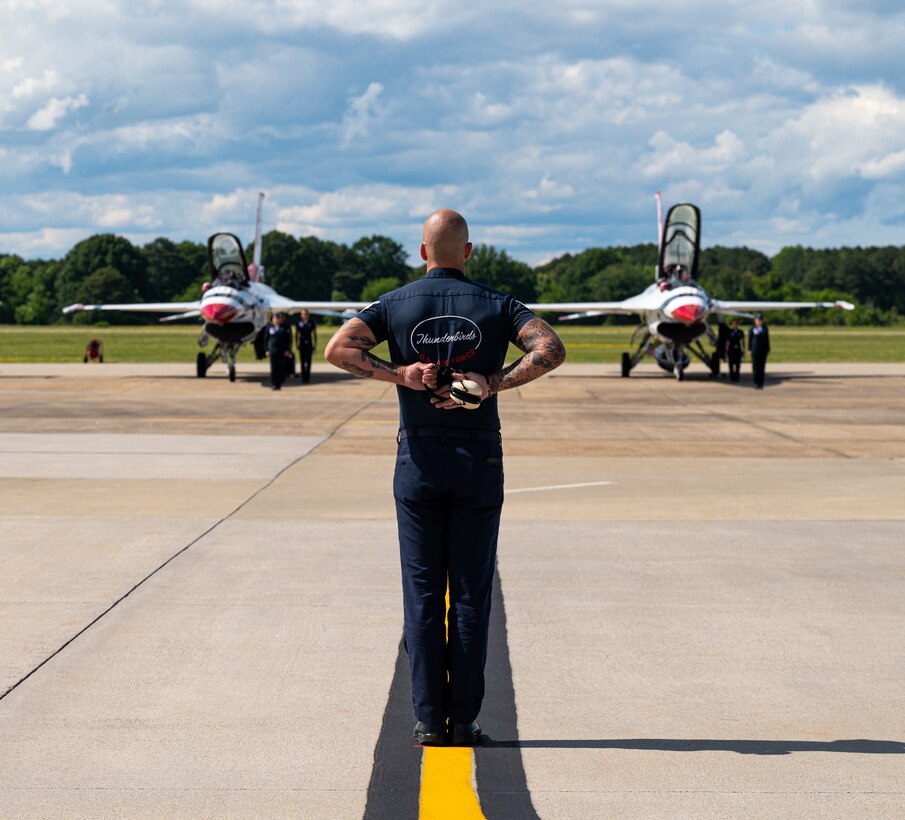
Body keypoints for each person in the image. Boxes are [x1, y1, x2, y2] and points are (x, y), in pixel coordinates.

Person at [324, 209, 566, 747]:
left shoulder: (395, 304)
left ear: (422, 251)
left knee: (424, 591)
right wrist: (491, 383)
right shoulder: (499, 304)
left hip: (420, 460)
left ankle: (430, 720)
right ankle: (466, 718)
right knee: (473, 595)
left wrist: (400, 373)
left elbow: (337, 348)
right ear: (469, 252)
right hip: (479, 459)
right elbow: (550, 349)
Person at [267, 312, 292, 390]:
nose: (277, 320)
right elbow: (266, 340)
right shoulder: (269, 328)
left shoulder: (283, 328)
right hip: (272, 351)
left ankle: (279, 383)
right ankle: (273, 383)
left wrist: (287, 350)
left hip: (281, 351)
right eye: (275, 318)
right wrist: (266, 350)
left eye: (278, 318)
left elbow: (288, 340)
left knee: (280, 367)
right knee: (273, 367)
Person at [748, 312, 770, 389]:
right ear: (755, 320)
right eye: (758, 319)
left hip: (763, 350)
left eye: (760, 320)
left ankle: (761, 383)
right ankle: (756, 383)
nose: (759, 321)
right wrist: (749, 349)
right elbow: (750, 340)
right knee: (755, 367)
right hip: (755, 350)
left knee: (762, 367)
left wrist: (768, 348)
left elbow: (767, 339)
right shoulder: (752, 329)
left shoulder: (765, 328)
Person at [295, 309, 318, 383]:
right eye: (303, 314)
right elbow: (296, 334)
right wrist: (297, 344)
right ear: (301, 315)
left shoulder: (311, 323)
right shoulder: (298, 323)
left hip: (309, 344)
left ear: (308, 315)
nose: (304, 315)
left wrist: (315, 345)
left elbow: (314, 334)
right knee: (302, 362)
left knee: (308, 361)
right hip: (302, 344)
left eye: (306, 314)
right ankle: (303, 378)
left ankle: (307, 378)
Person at [726, 318, 745, 383]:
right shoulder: (729, 332)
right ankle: (732, 377)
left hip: (738, 350)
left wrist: (743, 351)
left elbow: (742, 341)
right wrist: (726, 351)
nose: (735, 325)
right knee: (731, 364)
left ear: (738, 325)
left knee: (738, 364)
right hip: (731, 350)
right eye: (734, 324)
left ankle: (737, 377)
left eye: (736, 324)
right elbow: (727, 342)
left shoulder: (740, 332)